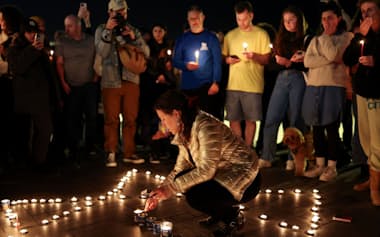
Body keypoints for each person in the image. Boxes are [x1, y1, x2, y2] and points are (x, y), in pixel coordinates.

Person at [144, 90, 261, 237]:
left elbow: (206, 170)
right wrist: (161, 191)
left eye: (163, 119)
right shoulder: (185, 130)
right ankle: (221, 213)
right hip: (223, 173)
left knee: (195, 194)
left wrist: (171, 189)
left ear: (176, 114)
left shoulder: (206, 126)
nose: (163, 124)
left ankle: (232, 217)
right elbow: (180, 168)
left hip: (246, 179)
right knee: (183, 178)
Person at [302, 1, 353, 181]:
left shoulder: (346, 37)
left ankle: (332, 167)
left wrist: (325, 43)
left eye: (330, 18)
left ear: (338, 19)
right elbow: (308, 62)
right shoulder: (315, 39)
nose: (326, 22)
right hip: (314, 85)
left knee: (331, 126)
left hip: (333, 85)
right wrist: (329, 59)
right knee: (316, 126)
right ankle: (319, 163)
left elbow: (335, 55)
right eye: (323, 19)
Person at [95, 0, 149, 167]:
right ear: (110, 12)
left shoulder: (133, 30)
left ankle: (129, 152)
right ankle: (111, 152)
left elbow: (146, 52)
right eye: (118, 12)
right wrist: (108, 31)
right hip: (110, 81)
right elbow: (101, 52)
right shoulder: (101, 29)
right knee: (111, 120)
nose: (121, 15)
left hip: (131, 79)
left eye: (124, 12)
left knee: (130, 119)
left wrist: (133, 38)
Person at [259, 6, 308, 169]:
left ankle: (293, 158)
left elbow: (307, 65)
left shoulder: (306, 39)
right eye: (285, 20)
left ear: (299, 20)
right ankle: (267, 155)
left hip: (298, 79)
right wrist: (283, 63)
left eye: (292, 19)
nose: (288, 23)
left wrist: (291, 63)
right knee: (272, 116)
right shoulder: (280, 39)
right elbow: (272, 64)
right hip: (281, 78)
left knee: (296, 119)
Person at [7, 17, 59, 170]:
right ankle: (26, 164)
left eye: (34, 32)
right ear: (23, 33)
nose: (32, 35)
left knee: (45, 130)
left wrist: (55, 96)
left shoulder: (40, 48)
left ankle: (39, 162)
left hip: (42, 99)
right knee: (26, 135)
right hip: (25, 101)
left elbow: (49, 73)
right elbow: (18, 67)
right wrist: (32, 50)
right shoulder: (15, 48)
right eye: (29, 32)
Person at [343, 0, 380, 206]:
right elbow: (348, 58)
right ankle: (372, 178)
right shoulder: (363, 35)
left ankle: (375, 188)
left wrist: (376, 62)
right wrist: (360, 35)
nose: (366, 15)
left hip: (377, 95)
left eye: (370, 10)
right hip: (362, 93)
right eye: (363, 11)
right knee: (365, 140)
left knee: (378, 143)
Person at [222, 1, 271, 148]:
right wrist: (227, 60)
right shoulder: (230, 35)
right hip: (233, 85)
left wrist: (254, 56)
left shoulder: (261, 34)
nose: (241, 23)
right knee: (233, 120)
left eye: (244, 19)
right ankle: (239, 150)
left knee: (251, 120)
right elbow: (224, 57)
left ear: (251, 16)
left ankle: (248, 150)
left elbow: (266, 59)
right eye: (238, 19)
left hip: (253, 86)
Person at [55, 14, 98, 163]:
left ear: (78, 26)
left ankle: (90, 146)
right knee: (73, 117)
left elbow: (97, 59)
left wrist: (95, 77)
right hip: (72, 86)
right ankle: (73, 147)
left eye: (70, 26)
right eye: (65, 26)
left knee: (92, 116)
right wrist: (63, 82)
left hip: (89, 85)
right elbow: (59, 63)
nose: (66, 29)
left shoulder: (91, 41)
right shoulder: (63, 42)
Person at [172, 5, 222, 119]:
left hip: (206, 87)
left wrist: (216, 82)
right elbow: (175, 61)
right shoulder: (182, 39)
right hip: (187, 88)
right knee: (189, 119)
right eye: (191, 19)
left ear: (203, 17)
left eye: (197, 18)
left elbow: (217, 61)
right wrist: (186, 66)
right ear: (187, 19)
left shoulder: (211, 38)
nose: (194, 21)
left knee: (206, 120)